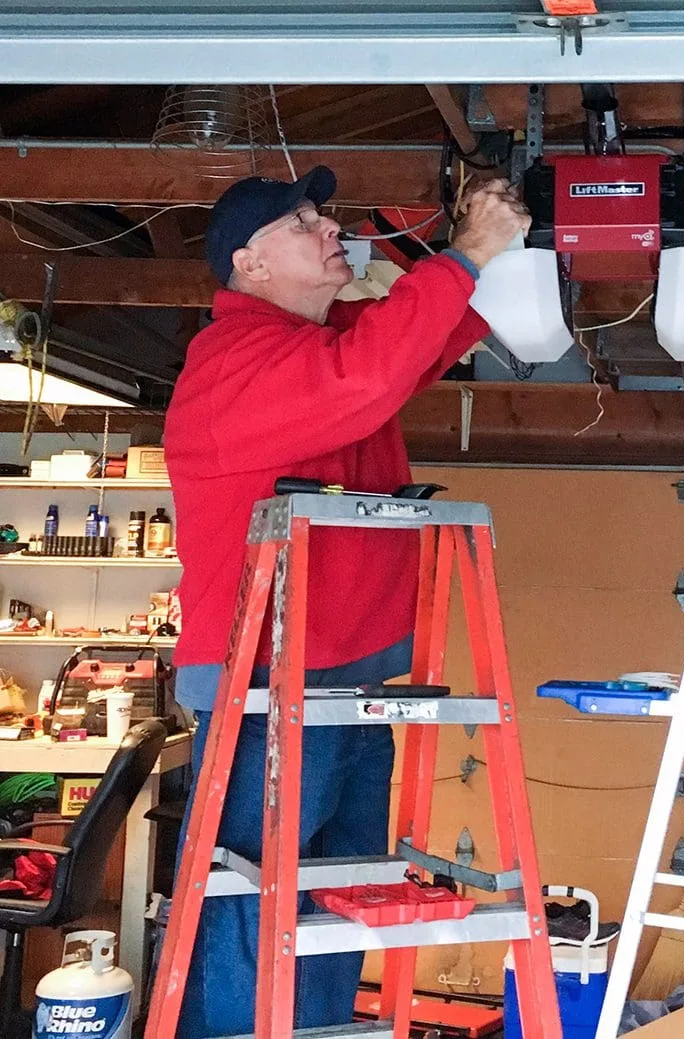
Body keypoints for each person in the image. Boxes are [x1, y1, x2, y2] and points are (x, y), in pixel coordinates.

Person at [162, 165, 530, 1037]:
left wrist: (489, 249)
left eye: (323, 214)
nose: (329, 227)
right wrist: (468, 250)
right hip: (264, 690)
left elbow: (416, 342)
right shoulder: (233, 364)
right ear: (248, 263)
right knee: (255, 905)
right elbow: (367, 374)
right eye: (303, 221)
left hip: (346, 680)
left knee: (334, 905)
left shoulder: (317, 347)